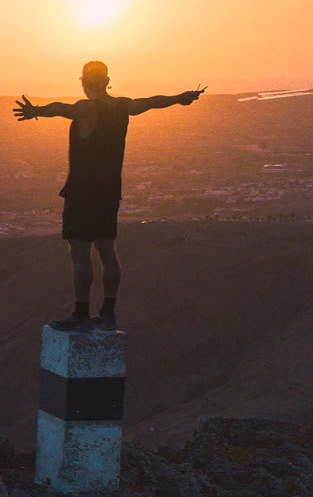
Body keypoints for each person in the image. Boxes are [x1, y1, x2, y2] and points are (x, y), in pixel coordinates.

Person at [13, 62, 203, 331]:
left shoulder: (87, 108)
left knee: (80, 252)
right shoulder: (123, 106)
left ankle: (81, 314)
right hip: (110, 191)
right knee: (107, 250)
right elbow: (152, 101)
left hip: (82, 191)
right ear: (107, 81)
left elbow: (59, 108)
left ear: (84, 82)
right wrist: (181, 99)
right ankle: (108, 313)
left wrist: (36, 112)